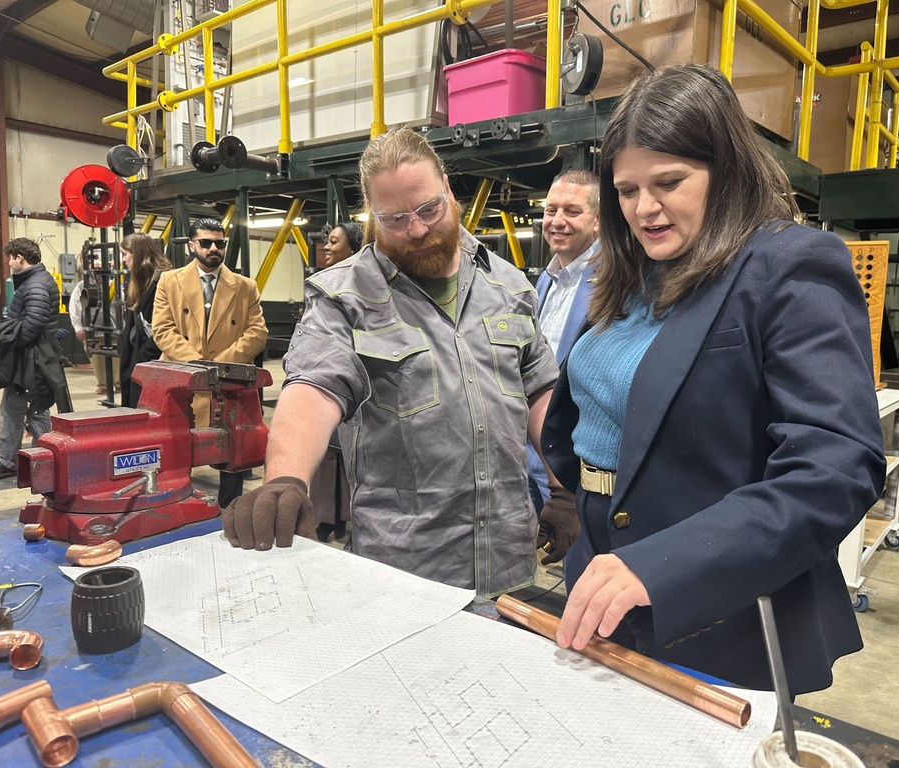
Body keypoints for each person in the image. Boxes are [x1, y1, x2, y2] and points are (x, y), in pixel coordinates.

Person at [542, 64, 887, 695]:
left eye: (669, 182)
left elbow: (837, 465)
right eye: (626, 190)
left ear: (724, 171)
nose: (645, 208)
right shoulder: (634, 273)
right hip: (600, 569)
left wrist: (664, 564)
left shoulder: (786, 265)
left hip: (719, 603)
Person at [222, 127, 575, 598]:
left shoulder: (509, 286)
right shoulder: (344, 295)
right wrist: (286, 479)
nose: (417, 229)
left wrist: (564, 487)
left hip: (509, 558)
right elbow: (314, 387)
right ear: (370, 215)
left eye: (429, 208)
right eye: (394, 218)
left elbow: (539, 391)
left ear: (447, 188)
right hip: (405, 572)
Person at [153, 218, 268, 508]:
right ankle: (180, 504)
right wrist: (197, 364)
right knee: (178, 448)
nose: (213, 248)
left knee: (236, 446)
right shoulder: (169, 281)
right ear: (192, 245)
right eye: (206, 243)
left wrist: (220, 366)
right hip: (183, 382)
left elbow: (257, 332)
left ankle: (230, 509)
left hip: (230, 384)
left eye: (220, 243)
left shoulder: (245, 286)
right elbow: (163, 330)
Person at [527, 169, 600, 516]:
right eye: (550, 210)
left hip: (578, 459)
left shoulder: (616, 282)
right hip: (534, 451)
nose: (557, 221)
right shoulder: (546, 281)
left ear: (598, 221)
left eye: (572, 211)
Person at [0, 238, 68, 480]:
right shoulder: (34, 280)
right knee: (15, 408)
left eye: (10, 258)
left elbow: (35, 322)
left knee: (35, 410)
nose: (8, 262)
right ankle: (20, 460)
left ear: (20, 258)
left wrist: (11, 340)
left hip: (32, 359)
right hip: (30, 357)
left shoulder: (36, 283)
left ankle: (45, 461)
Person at [311, 220, 364, 542]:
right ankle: (327, 517)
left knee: (350, 456)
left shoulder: (364, 286)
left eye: (334, 241)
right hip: (325, 376)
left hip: (353, 381)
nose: (327, 247)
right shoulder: (321, 283)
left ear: (353, 247)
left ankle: (345, 519)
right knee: (327, 455)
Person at [118, 232, 171, 407]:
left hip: (155, 363)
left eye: (125, 254)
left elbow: (168, 327)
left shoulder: (163, 282)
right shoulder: (141, 282)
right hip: (141, 360)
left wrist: (144, 356)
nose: (123, 260)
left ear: (138, 253)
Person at [69, 255, 120, 395]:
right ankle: (102, 384)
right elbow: (75, 307)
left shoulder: (113, 285)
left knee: (116, 357)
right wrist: (78, 327)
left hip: (113, 327)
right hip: (92, 329)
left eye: (100, 269)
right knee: (97, 360)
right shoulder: (82, 286)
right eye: (95, 269)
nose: (98, 272)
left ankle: (118, 383)